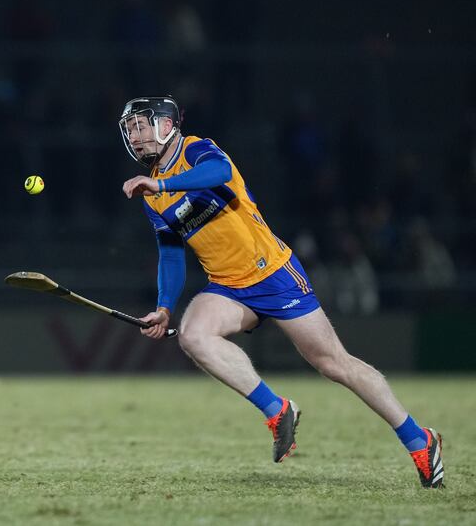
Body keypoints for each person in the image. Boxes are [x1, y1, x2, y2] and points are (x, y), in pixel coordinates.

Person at [118, 96, 444, 488]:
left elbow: (219, 172)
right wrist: (164, 308)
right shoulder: (151, 194)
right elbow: (170, 253)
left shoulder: (196, 150)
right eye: (130, 129)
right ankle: (277, 411)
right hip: (227, 286)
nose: (135, 136)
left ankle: (418, 440)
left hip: (273, 274)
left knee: (333, 364)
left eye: (141, 125)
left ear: (167, 125)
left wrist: (162, 182)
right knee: (193, 335)